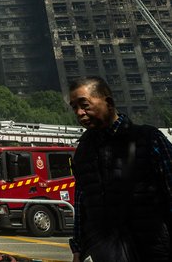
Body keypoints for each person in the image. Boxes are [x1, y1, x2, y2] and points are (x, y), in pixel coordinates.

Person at [68, 76, 172, 262]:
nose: (79, 113)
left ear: (108, 102)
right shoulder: (83, 151)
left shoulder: (149, 139)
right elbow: (82, 203)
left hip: (152, 249)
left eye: (84, 105)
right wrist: (78, 249)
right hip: (105, 252)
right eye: (74, 107)